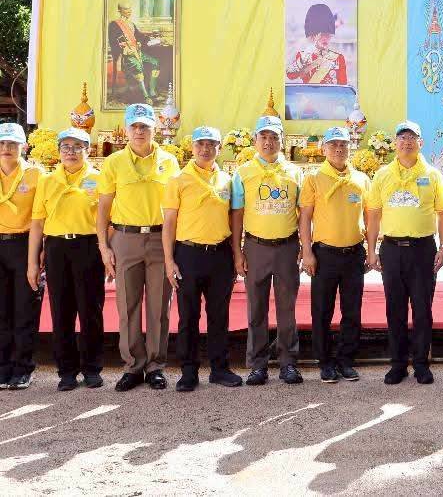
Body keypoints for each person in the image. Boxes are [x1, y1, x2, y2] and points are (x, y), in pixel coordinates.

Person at [96, 103, 180, 391]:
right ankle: (133, 366)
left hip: (159, 238)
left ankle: (155, 366)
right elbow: (103, 208)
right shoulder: (114, 162)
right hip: (125, 238)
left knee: (159, 306)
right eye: (134, 126)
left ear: (155, 129)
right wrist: (104, 246)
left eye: (145, 126)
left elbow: (175, 207)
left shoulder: (169, 161)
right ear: (126, 129)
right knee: (128, 304)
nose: (140, 131)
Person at [162, 126, 243, 391]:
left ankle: (220, 368)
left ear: (219, 148)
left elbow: (234, 219)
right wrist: (169, 260)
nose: (205, 149)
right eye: (200, 144)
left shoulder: (227, 180)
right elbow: (169, 223)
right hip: (188, 254)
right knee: (188, 315)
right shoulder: (178, 180)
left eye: (211, 144)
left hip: (220, 255)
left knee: (219, 314)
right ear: (192, 147)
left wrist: (236, 253)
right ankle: (188, 371)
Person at [366, 121, 443, 384]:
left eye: (412, 137)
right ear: (395, 143)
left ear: (420, 143)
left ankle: (422, 364)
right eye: (402, 137)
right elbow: (373, 215)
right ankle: (398, 364)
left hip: (423, 250)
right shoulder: (382, 175)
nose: (407, 142)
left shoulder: (432, 175)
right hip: (391, 250)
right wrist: (371, 250)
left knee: (422, 309)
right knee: (395, 309)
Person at [27, 128, 103, 391]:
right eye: (66, 147)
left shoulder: (98, 178)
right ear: (59, 151)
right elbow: (38, 223)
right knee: (61, 311)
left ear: (88, 150)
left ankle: (92, 368)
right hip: (57, 247)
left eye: (77, 146)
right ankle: (66, 371)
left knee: (90, 310)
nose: (71, 152)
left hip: (89, 246)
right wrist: (33, 261)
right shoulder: (47, 181)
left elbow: (108, 220)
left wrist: (106, 250)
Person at [231, 115, 305, 386]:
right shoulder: (243, 173)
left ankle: (288, 362)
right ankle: (258, 365)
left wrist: (304, 246)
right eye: (263, 137)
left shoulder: (295, 172)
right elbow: (237, 215)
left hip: (286, 247)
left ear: (282, 141)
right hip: (255, 247)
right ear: (254, 140)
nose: (268, 142)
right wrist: (238, 252)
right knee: (256, 308)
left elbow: (303, 212)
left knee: (287, 308)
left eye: (274, 137)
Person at [300, 126, 371, 383]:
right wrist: (307, 252)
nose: (339, 149)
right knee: (322, 310)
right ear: (324, 149)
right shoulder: (313, 178)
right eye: (333, 144)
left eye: (343, 144)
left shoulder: (361, 179)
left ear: (350, 147)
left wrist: (371, 250)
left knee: (352, 310)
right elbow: (305, 218)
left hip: (353, 254)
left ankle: (346, 360)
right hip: (324, 254)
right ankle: (325, 362)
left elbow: (370, 216)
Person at [0, 123, 43, 390]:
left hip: (25, 244)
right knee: (1, 310)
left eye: (12, 144)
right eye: (2, 143)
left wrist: (36, 256)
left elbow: (41, 218)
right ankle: (3, 367)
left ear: (24, 146)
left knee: (24, 309)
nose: (6, 148)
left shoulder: (36, 174)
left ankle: (22, 367)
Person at [107, 3, 160, 102]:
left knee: (155, 62)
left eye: (130, 9)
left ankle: (152, 91)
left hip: (137, 52)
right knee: (137, 66)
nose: (129, 11)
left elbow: (139, 36)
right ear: (120, 11)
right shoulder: (114, 24)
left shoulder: (131, 24)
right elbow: (113, 41)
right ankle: (145, 96)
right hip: (125, 55)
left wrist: (152, 40)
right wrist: (123, 49)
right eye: (126, 9)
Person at [286, 3, 348, 86]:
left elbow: (343, 88)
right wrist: (304, 60)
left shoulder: (338, 58)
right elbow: (290, 75)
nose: (325, 38)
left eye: (328, 35)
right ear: (314, 35)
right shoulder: (302, 55)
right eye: (322, 34)